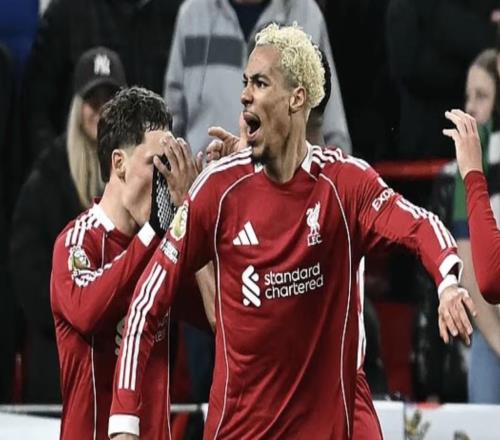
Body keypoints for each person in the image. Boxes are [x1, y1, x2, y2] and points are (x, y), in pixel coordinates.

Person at [110, 24, 474, 439]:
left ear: (297, 99)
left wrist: (448, 282)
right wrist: (124, 423)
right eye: (245, 83)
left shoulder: (344, 185)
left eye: (260, 83)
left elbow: (420, 225)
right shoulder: (217, 190)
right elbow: (146, 301)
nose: (244, 95)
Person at [50, 86, 210, 439]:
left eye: (170, 165)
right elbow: (88, 310)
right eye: (156, 164)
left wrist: (196, 217)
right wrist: (155, 231)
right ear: (118, 163)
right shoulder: (77, 242)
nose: (165, 181)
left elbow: (218, 316)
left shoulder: (168, 244)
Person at [10, 47, 126, 403]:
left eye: (110, 100)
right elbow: (27, 270)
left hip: (120, 359)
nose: (101, 111)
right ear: (77, 107)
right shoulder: (47, 177)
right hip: (60, 363)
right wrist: (78, 318)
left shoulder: (138, 176)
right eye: (93, 100)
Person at [164, 0, 351, 157]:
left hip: (285, 186)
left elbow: (331, 127)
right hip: (205, 181)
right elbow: (171, 126)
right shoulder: (192, 16)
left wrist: (329, 183)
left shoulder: (306, 15)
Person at [451, 49, 500, 403]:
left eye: (481, 96)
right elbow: (468, 272)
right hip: (491, 326)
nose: (470, 107)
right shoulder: (467, 159)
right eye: (468, 96)